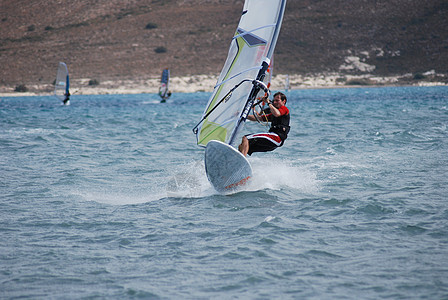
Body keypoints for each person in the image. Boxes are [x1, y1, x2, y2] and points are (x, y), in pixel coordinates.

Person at [238, 92, 290, 157]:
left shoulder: (284, 109)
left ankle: (241, 163)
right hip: (273, 142)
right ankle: (238, 162)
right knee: (242, 146)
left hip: (276, 137)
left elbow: (277, 113)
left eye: (277, 100)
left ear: (283, 101)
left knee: (246, 138)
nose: (275, 102)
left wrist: (268, 103)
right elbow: (258, 118)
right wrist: (242, 115)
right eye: (274, 101)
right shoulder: (273, 115)